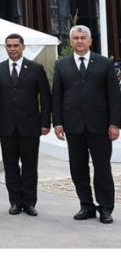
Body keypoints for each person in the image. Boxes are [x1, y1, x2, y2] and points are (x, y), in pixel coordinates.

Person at [52, 24, 121, 224]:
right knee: (78, 168)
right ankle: (86, 205)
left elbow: (114, 96)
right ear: (70, 41)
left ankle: (105, 208)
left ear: (90, 41)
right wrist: (58, 123)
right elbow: (57, 96)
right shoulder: (61, 65)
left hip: (100, 126)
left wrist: (115, 124)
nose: (79, 41)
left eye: (83, 38)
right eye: (76, 38)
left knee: (102, 168)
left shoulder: (104, 63)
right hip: (73, 126)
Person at [0, 33, 51, 216]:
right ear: (5, 48)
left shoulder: (35, 69)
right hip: (6, 127)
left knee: (30, 166)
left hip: (30, 126)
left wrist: (45, 122)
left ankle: (29, 202)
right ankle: (15, 202)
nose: (12, 49)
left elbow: (46, 98)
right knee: (10, 166)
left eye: (16, 45)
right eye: (9, 46)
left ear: (23, 47)